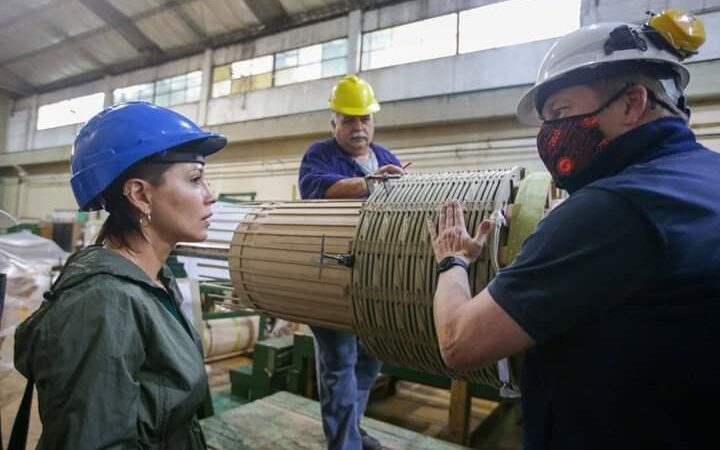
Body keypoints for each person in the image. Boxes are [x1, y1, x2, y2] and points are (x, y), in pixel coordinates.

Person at [427, 10, 720, 450]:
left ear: (632, 103)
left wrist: (453, 261)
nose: (551, 135)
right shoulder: (706, 177)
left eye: (562, 112)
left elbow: (459, 342)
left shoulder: (613, 208)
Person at [13, 102, 226, 449]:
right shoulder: (102, 304)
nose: (210, 195)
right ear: (140, 194)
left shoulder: (153, 279)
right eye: (195, 179)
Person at [298, 74, 405, 450]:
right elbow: (318, 188)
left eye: (365, 119)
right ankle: (343, 444)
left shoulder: (387, 157)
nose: (358, 127)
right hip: (330, 275)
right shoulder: (319, 155)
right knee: (340, 362)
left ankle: (351, 431)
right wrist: (371, 184)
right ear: (334, 124)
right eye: (349, 120)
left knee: (371, 358)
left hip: (374, 280)